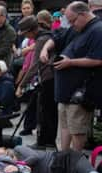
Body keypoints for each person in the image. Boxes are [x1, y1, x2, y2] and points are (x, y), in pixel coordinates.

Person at [39, 1, 102, 151]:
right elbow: (56, 36)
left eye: (73, 20)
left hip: (79, 91)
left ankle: (73, 162)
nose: (72, 24)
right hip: (64, 91)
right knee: (65, 126)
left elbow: (98, 59)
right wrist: (45, 49)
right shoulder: (76, 27)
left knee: (77, 129)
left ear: (83, 14)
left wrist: (71, 62)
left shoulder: (97, 30)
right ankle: (63, 158)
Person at [16, 11, 56, 149]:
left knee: (46, 112)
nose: (26, 36)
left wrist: (21, 85)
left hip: (49, 79)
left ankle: (45, 142)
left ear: (31, 30)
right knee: (45, 112)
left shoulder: (41, 39)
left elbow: (34, 65)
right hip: (48, 78)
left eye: (25, 33)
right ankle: (45, 141)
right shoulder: (45, 35)